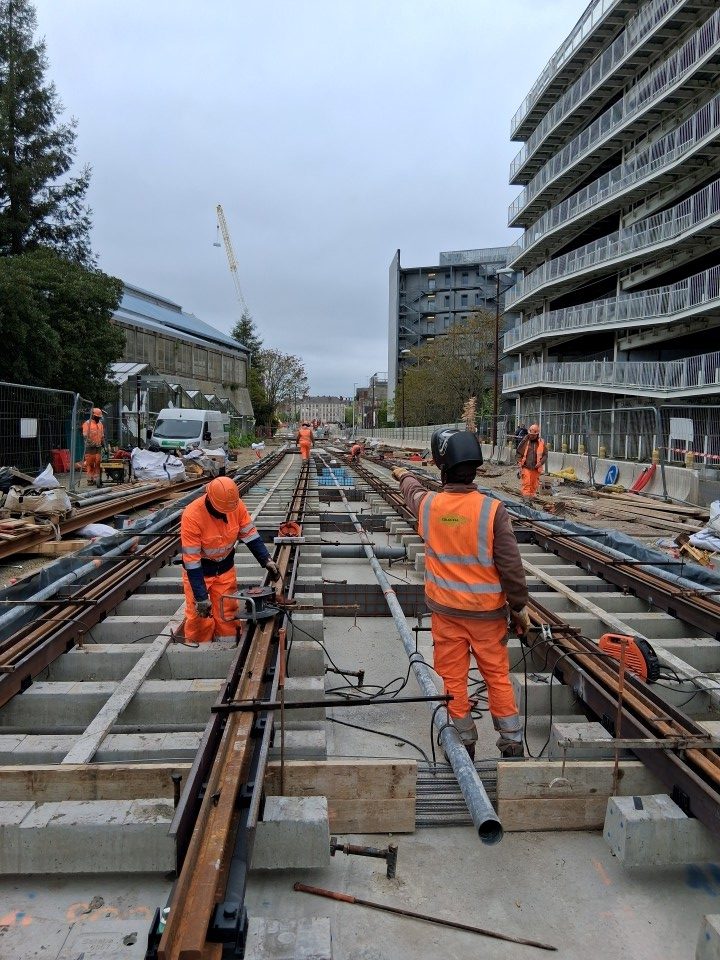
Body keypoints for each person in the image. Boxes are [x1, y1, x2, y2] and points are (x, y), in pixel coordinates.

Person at [393, 428, 530, 758]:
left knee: (453, 678)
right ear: (475, 467)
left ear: (442, 466)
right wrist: (520, 607)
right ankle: (511, 742)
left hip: (446, 615)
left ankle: (465, 742)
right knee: (497, 675)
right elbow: (511, 566)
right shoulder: (492, 511)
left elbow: (413, 492)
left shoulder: (430, 507)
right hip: (488, 616)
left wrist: (404, 474)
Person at [180, 476, 280, 643]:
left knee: (227, 614)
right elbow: (192, 561)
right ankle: (199, 650)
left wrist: (266, 560)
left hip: (225, 570)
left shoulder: (236, 506)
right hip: (200, 574)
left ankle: (228, 648)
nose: (226, 514)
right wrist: (200, 596)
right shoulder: (192, 515)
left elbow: (250, 534)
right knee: (199, 617)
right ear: (211, 501)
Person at [516, 423, 547, 499]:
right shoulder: (525, 441)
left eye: (533, 435)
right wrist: (519, 463)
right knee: (527, 484)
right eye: (530, 434)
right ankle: (526, 501)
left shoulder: (541, 443)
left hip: (536, 469)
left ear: (537, 434)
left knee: (533, 486)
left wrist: (540, 463)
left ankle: (530, 501)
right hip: (526, 467)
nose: (532, 436)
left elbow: (545, 455)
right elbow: (518, 453)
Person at [82, 407, 106, 487]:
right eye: (97, 417)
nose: (98, 418)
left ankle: (97, 479)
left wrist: (104, 446)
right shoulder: (87, 424)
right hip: (90, 448)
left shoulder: (100, 424)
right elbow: (85, 436)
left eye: (99, 417)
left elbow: (102, 436)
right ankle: (90, 479)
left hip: (98, 448)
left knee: (98, 463)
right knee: (90, 464)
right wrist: (92, 443)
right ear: (93, 416)